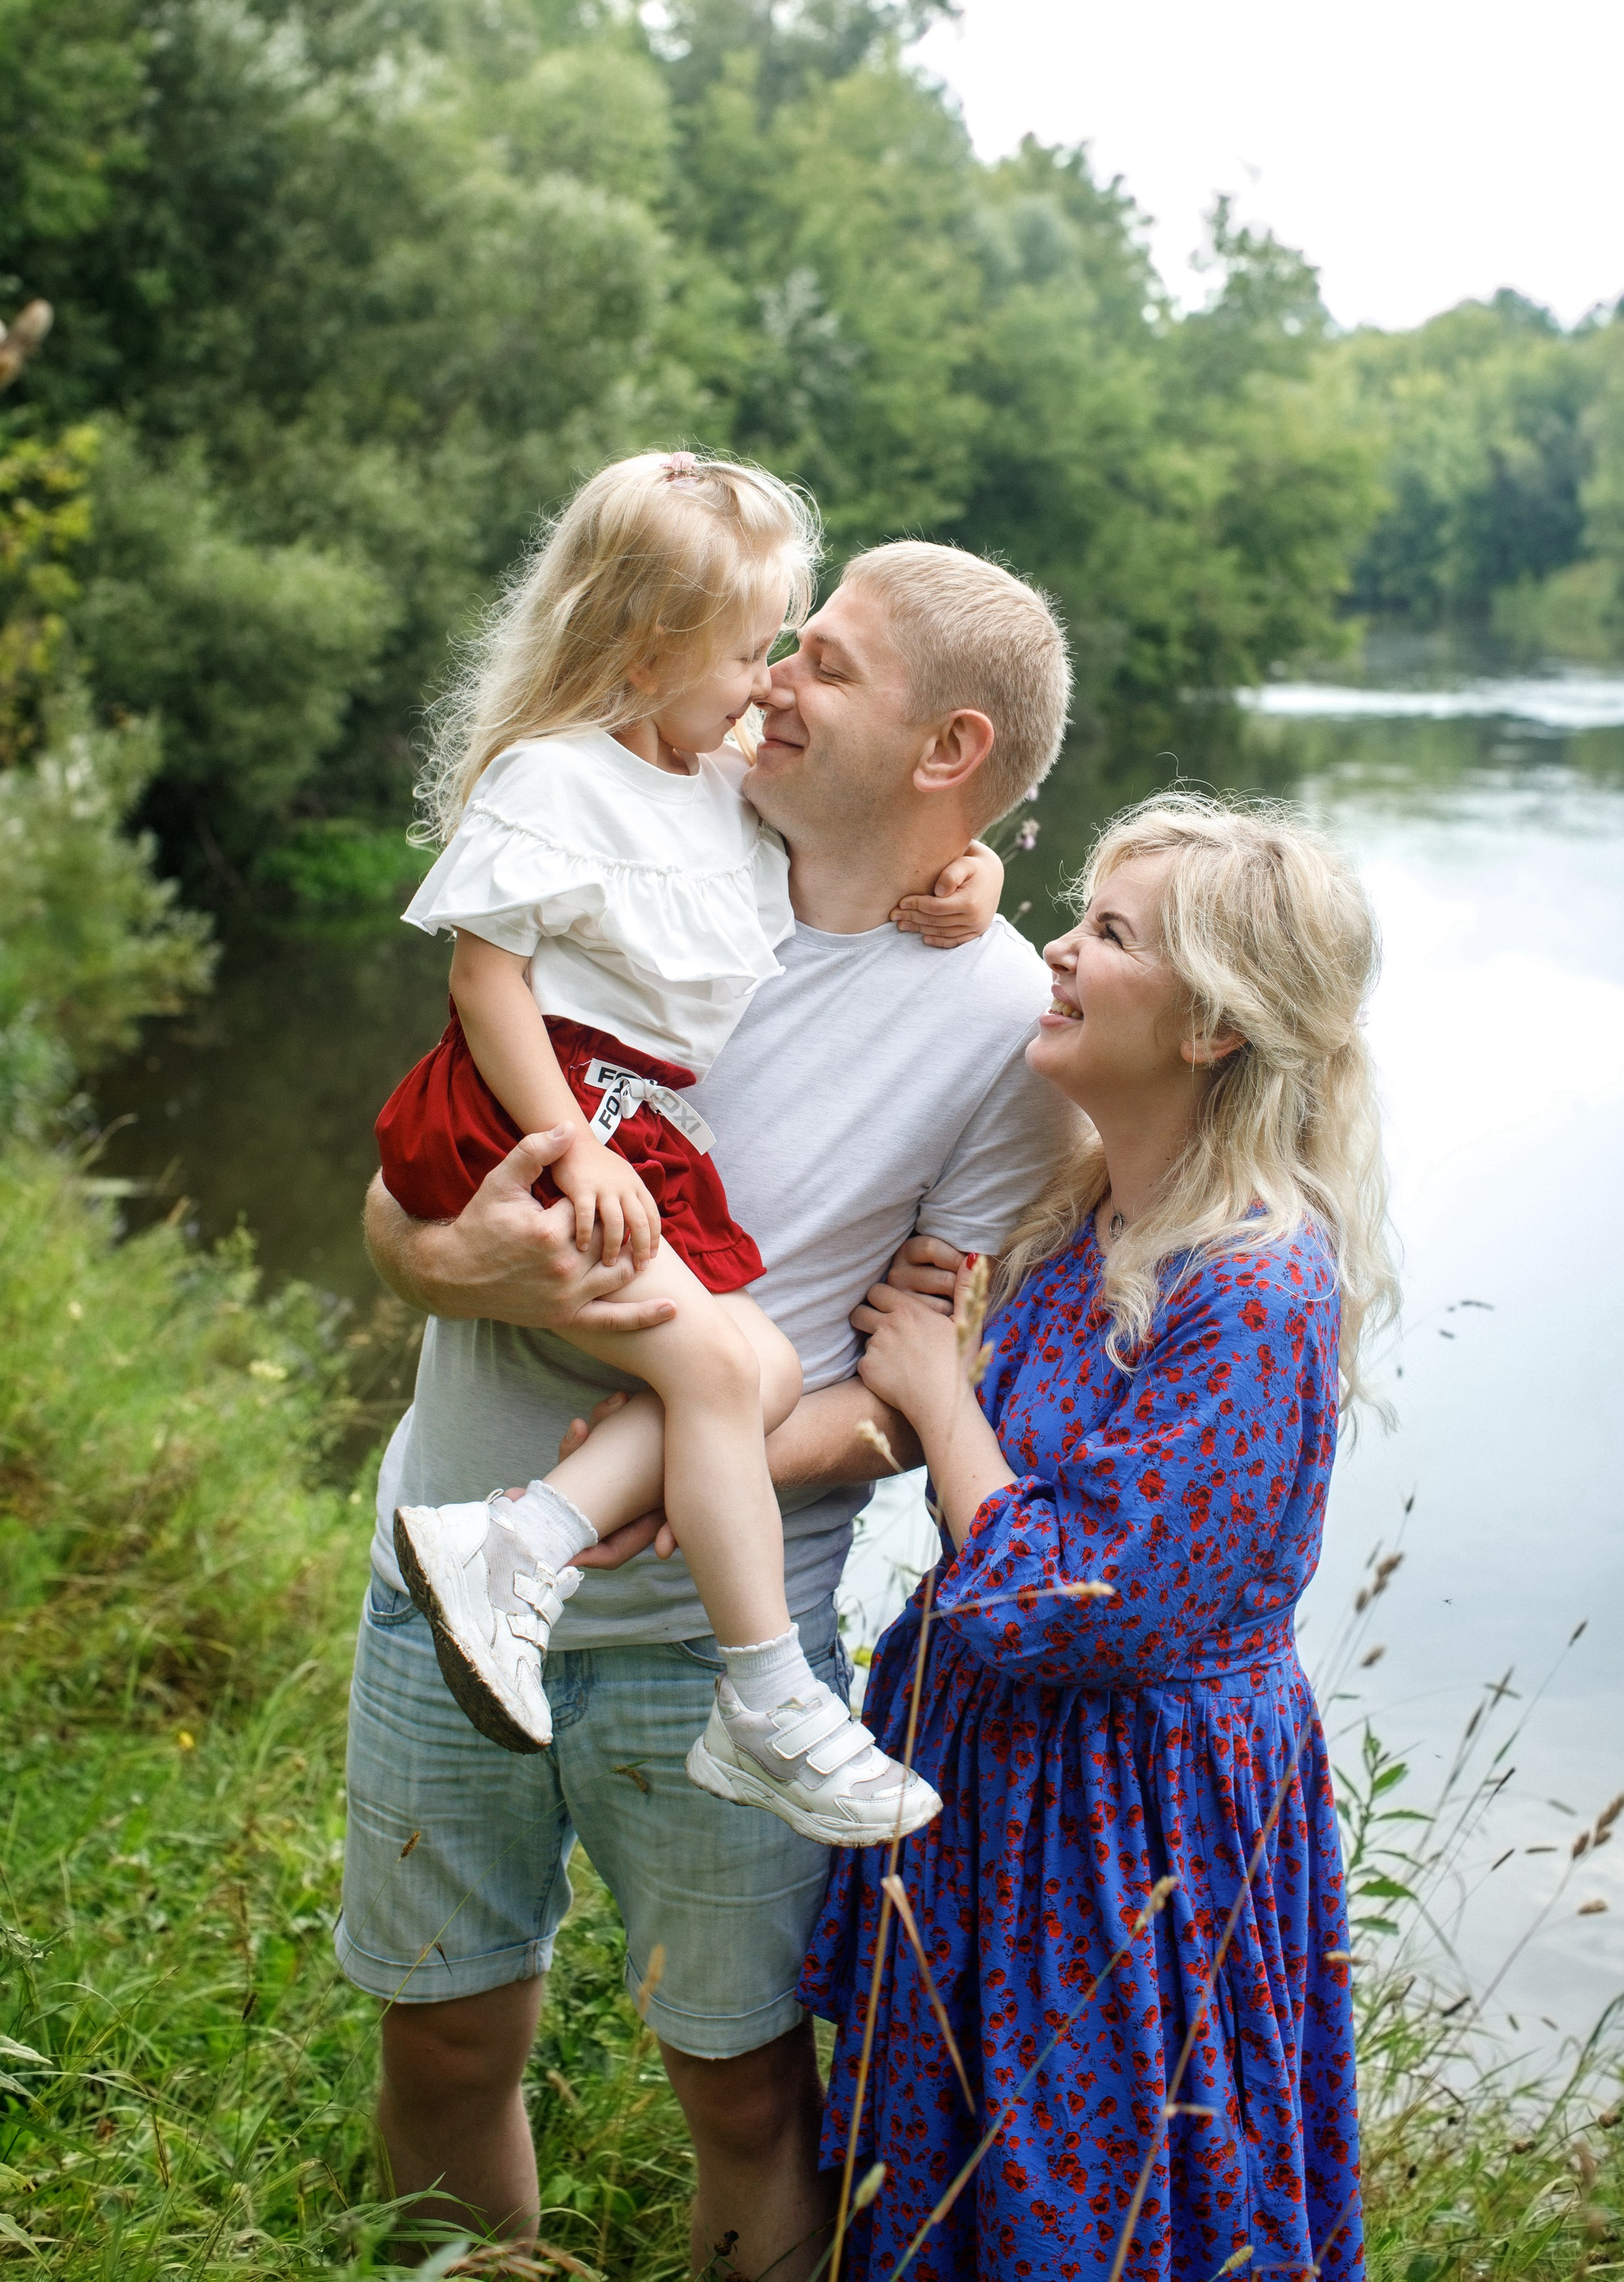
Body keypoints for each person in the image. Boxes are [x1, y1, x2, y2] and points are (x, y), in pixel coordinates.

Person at [338, 539, 1085, 2270]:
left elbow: (914, 1391)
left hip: (719, 1633)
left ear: (945, 756)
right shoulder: (644, 849)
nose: (767, 681)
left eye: (821, 663)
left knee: (746, 2093)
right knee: (445, 2035)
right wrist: (478, 1272)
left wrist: (708, 1453)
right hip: (431, 1575)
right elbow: (399, 1196)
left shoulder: (1001, 1025)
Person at [803, 793, 1397, 2281]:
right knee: (971, 2198)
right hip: (1012, 1797)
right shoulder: (1084, 1225)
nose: (1057, 952)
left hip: (1131, 1830)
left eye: (1107, 935)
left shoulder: (1251, 1287)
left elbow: (1073, 1606)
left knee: (1111, 2200)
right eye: (1073, 914)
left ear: (1209, 1028)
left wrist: (942, 1397)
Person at [376, 451, 993, 1844]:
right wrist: (567, 1146)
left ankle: (517, 1543)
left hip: (629, 1119)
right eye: (750, 648)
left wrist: (969, 863)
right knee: (723, 1358)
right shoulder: (553, 779)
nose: (767, 680)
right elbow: (485, 985)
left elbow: (869, 818)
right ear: (653, 652)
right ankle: (767, 1695)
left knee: (761, 1363)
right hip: (543, 1108)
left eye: (789, 651)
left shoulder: (706, 782)